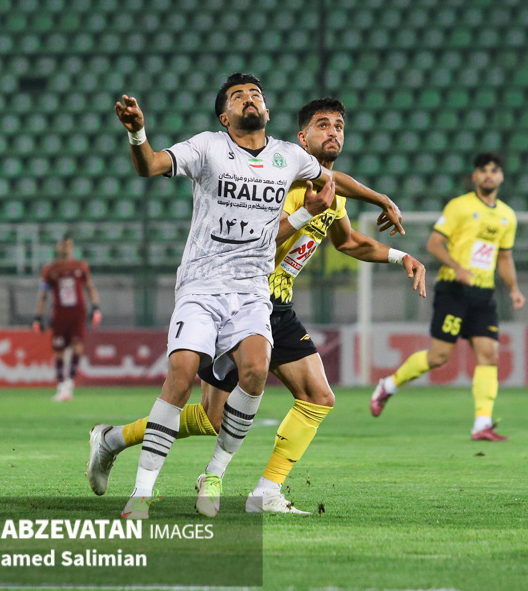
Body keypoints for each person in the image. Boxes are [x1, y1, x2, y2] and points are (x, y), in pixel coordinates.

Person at [89, 96, 424, 514]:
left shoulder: (330, 193)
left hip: (275, 305)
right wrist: (309, 214)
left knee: (317, 396)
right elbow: (257, 239)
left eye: (339, 126)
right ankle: (114, 439)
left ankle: (265, 491)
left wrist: (399, 256)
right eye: (322, 125)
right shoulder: (281, 181)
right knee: (213, 417)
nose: (333, 132)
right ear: (302, 138)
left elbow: (349, 242)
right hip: (239, 297)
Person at [370, 152, 525, 441]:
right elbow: (434, 244)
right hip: (454, 290)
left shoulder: (507, 215)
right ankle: (388, 385)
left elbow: (504, 257)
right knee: (439, 357)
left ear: (501, 177)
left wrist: (514, 289)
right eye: (483, 170)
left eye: (494, 170)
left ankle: (482, 424)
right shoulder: (460, 206)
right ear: (475, 176)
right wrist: (457, 267)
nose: (489, 175)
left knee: (489, 355)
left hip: (483, 294)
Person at [33, 235, 102, 402]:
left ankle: (69, 383)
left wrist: (95, 307)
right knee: (59, 350)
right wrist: (38, 316)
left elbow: (89, 287)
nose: (65, 248)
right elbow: (43, 294)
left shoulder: (80, 266)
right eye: (63, 245)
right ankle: (61, 385)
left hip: (77, 313)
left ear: (72, 248)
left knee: (77, 347)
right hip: (59, 313)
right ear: (58, 247)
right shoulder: (50, 269)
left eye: (68, 245)